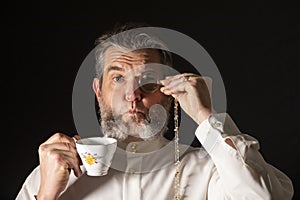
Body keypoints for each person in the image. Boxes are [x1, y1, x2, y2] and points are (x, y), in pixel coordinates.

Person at [16, 22, 294, 200]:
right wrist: (47, 194)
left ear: (170, 94)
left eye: (148, 81)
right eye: (118, 78)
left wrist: (207, 117)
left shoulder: (210, 169)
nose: (132, 94)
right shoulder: (52, 172)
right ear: (98, 92)